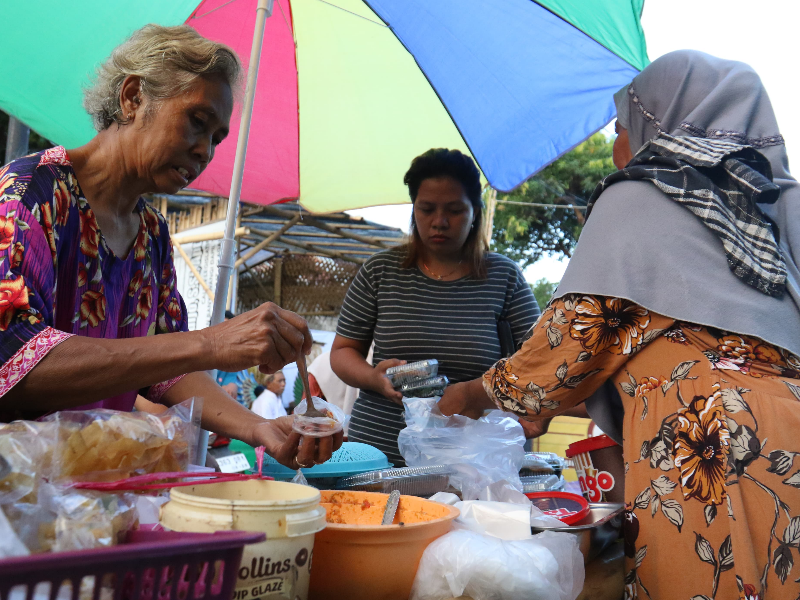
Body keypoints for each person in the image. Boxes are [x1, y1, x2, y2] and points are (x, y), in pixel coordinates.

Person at [438, 51, 800, 600]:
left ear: (659, 120)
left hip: (712, 444)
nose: (616, 146)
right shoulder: (778, 204)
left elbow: (570, 344)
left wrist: (474, 393)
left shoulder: (644, 195)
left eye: (621, 126)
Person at [0, 25, 341, 470]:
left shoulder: (151, 235)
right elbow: (12, 361)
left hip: (89, 490)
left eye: (217, 139)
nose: (204, 151)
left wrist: (258, 428)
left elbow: (166, 363)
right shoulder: (27, 198)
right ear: (132, 97)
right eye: (197, 122)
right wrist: (209, 343)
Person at [330, 148, 540, 465]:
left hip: (471, 460)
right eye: (426, 209)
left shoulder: (504, 277)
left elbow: (539, 359)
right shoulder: (380, 271)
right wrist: (375, 378)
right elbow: (342, 352)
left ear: (475, 212)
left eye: (454, 210)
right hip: (379, 453)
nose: (439, 222)